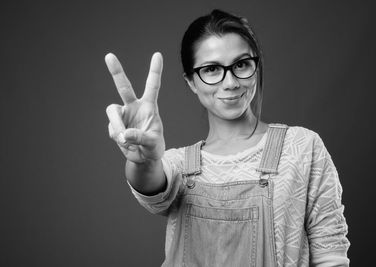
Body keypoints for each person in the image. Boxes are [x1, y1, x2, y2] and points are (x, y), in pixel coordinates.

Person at [105, 9, 350, 267]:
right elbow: (152, 184)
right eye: (211, 69)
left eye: (241, 64)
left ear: (256, 66)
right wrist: (144, 161)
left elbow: (330, 255)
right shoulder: (178, 167)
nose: (230, 82)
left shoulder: (302, 148)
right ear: (191, 81)